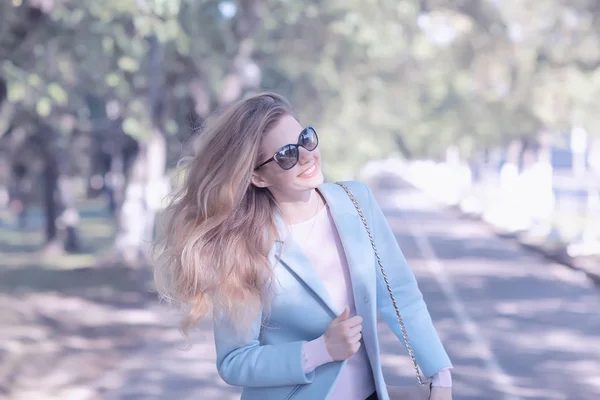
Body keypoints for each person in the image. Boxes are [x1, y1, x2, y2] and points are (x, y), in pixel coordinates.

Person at [153, 92, 453, 400]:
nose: (307, 155)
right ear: (257, 176)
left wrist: (440, 380)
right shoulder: (243, 248)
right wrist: (318, 351)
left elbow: (401, 295)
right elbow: (233, 361)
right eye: (287, 154)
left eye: (306, 139)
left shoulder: (357, 202)